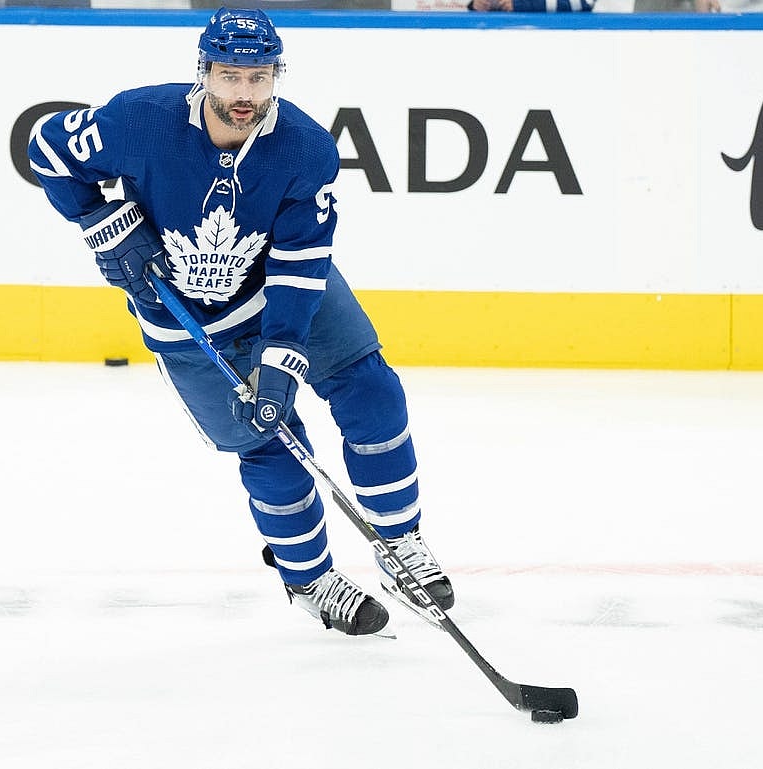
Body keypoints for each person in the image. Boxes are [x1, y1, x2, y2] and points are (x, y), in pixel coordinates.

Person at [28, 7, 453, 636]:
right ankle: (310, 579)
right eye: (230, 76)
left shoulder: (305, 149)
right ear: (203, 73)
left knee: (371, 390)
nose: (245, 94)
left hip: (277, 289)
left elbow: (300, 267)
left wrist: (283, 355)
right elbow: (46, 147)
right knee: (271, 448)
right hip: (179, 310)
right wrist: (97, 221)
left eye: (259, 77)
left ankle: (401, 544)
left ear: (276, 75)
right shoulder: (139, 122)